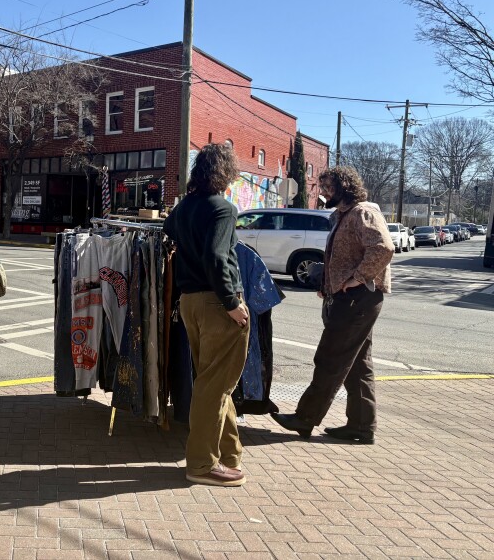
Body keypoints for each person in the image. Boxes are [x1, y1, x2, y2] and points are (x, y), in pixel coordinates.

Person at [271, 166, 394, 444]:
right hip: (348, 297)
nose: (324, 192)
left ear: (344, 187)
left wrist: (357, 279)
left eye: (328, 187)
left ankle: (304, 418)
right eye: (322, 187)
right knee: (358, 364)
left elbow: (383, 248)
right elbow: (341, 256)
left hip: (357, 298)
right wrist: (327, 285)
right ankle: (362, 426)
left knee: (329, 357)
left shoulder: (363, 212)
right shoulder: (342, 215)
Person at [163, 144, 251, 487]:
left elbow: (170, 230)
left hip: (190, 302)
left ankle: (229, 455)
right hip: (218, 303)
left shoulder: (185, 207)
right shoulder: (224, 209)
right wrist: (232, 301)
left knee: (213, 382)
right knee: (214, 387)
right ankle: (201, 464)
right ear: (225, 172)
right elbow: (217, 256)